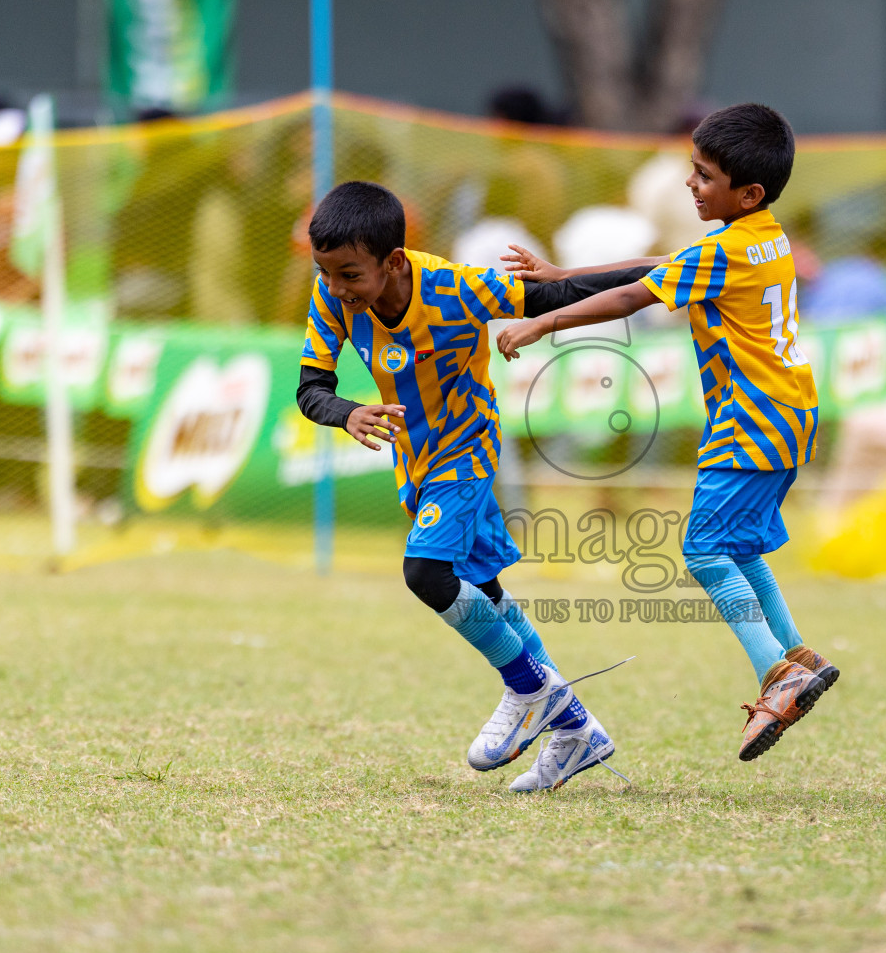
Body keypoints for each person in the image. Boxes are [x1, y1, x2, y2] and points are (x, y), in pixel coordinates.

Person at [495, 103, 840, 763]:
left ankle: (778, 672)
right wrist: (564, 276)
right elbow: (660, 264)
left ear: (749, 192)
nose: (690, 184)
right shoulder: (761, 237)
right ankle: (798, 656)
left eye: (704, 176)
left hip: (752, 421)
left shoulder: (726, 249)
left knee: (706, 553)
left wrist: (542, 323)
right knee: (736, 549)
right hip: (788, 415)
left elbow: (634, 297)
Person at [296, 181, 649, 792]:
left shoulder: (456, 288)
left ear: (395, 262)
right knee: (481, 587)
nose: (335, 288)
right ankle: (575, 730)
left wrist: (674, 276)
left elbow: (558, 292)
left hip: (469, 449)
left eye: (348, 274)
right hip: (417, 461)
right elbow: (311, 389)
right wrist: (347, 411)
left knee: (426, 574)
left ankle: (529, 689)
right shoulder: (333, 299)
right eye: (325, 273)